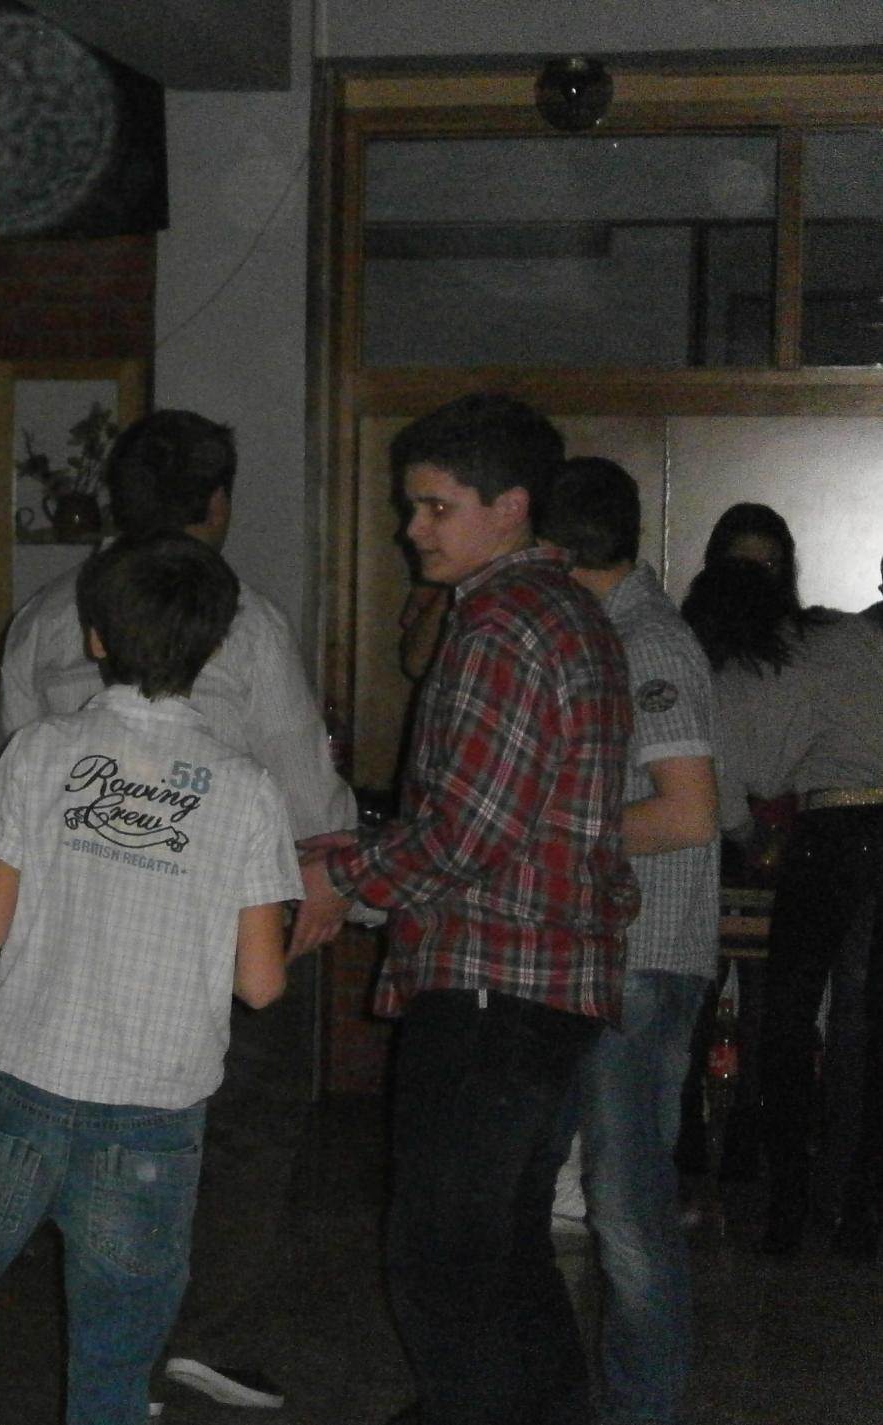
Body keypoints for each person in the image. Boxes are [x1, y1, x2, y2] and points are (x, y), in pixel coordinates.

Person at [0, 532, 301, 1424]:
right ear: (215, 646)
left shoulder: (39, 751)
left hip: (21, 1084)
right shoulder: (248, 790)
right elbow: (263, 983)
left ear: (95, 636)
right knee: (115, 1359)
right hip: (152, 1113)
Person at [0, 407, 356, 1412]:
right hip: (215, 922)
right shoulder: (244, 617)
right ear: (217, 503)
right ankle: (196, 1332)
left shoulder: (46, 612)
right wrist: (335, 870)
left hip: (72, 924)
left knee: (87, 1127)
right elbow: (298, 777)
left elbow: (11, 777)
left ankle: (107, 1333)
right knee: (241, 1121)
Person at [292, 393, 638, 1425]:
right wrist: (350, 860)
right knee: (503, 1256)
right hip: (541, 987)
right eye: (414, 506)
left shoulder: (502, 623)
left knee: (443, 1265)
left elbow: (467, 833)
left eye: (436, 507)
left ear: (510, 505)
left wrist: (339, 875)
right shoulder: (566, 613)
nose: (413, 529)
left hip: (494, 986)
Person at [536, 457, 721, 1425]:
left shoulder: (648, 643)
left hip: (642, 955)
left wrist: (549, 834)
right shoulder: (612, 630)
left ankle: (639, 1409)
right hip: (614, 950)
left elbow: (687, 813)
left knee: (628, 1204)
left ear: (553, 546)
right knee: (609, 1195)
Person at [706, 549, 883, 1257]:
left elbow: (756, 764)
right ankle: (858, 1211)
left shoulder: (802, 649)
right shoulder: (842, 637)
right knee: (865, 1027)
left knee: (789, 1016)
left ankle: (789, 1204)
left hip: (830, 833)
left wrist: (748, 829)